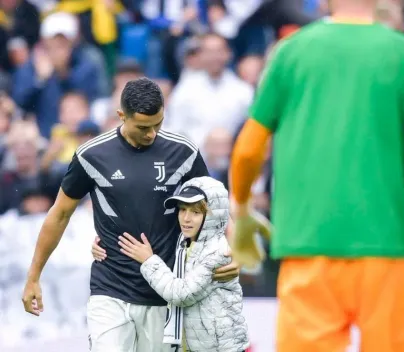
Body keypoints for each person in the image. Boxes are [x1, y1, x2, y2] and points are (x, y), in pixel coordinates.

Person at [228, 0, 404, 351]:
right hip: (386, 248)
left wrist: (241, 209)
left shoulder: (289, 52)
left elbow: (249, 149)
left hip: (306, 245)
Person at [21, 77, 240, 352]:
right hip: (110, 288)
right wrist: (34, 276)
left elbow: (214, 205)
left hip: (164, 292)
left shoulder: (183, 151)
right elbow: (60, 214)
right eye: (143, 127)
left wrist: (231, 252)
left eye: (158, 124)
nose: (151, 134)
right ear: (120, 115)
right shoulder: (91, 155)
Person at [94, 176, 250, 352]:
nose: (186, 218)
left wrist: (148, 260)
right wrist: (105, 243)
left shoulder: (218, 252)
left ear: (213, 215)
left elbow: (181, 294)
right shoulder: (185, 242)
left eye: (196, 212)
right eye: (182, 210)